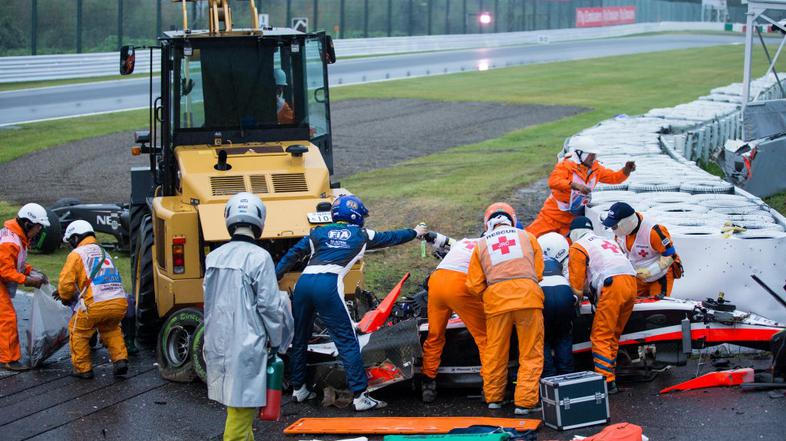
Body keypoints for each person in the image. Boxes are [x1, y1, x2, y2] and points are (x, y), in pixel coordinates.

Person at [275, 194, 427, 411]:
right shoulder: (361, 235)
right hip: (327, 285)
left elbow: (292, 255)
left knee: (300, 337)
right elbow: (392, 237)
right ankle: (360, 396)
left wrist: (274, 276)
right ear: (356, 215)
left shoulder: (317, 232)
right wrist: (415, 232)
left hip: (304, 284)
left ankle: (299, 389)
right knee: (347, 341)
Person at [203, 192, 293, 441]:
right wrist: (277, 341)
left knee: (237, 408)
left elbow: (209, 300)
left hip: (217, 342)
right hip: (247, 344)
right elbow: (269, 306)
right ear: (260, 220)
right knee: (241, 414)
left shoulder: (213, 257)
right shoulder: (259, 258)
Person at [465, 202, 545, 415]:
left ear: (488, 223)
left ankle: (494, 398)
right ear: (512, 220)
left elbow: (473, 284)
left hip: (496, 303)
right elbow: (538, 272)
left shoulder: (481, 244)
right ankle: (525, 403)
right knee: (530, 352)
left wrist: (490, 294)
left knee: (495, 352)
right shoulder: (528, 237)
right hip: (528, 299)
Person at [566, 216, 636, 394]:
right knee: (613, 334)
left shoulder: (578, 246)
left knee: (601, 336)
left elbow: (576, 287)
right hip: (631, 282)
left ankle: (606, 381)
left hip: (612, 286)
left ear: (574, 233)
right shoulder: (606, 241)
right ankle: (612, 373)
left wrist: (576, 304)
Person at [55, 220, 128, 379]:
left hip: (95, 304)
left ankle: (83, 369)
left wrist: (65, 297)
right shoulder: (104, 252)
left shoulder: (76, 254)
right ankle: (120, 359)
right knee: (111, 329)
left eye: (70, 241)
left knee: (78, 331)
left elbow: (66, 284)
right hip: (119, 302)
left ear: (75, 238)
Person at [420, 233, 486, 403]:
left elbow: (444, 241)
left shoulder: (465, 242)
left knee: (434, 335)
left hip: (437, 280)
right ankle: (490, 386)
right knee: (485, 337)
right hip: (460, 284)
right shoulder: (490, 246)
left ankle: (428, 382)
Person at [526, 136, 636, 238]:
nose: (593, 158)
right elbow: (553, 181)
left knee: (568, 246)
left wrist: (626, 171)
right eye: (590, 155)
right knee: (531, 237)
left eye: (595, 155)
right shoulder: (566, 165)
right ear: (579, 153)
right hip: (553, 214)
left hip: (573, 218)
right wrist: (574, 185)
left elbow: (614, 178)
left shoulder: (596, 169)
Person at [0, 203, 49, 371]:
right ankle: (9, 359)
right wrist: (28, 280)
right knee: (7, 318)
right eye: (38, 227)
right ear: (28, 224)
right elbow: (5, 271)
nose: (39, 231)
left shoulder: (15, 237)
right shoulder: (10, 242)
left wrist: (31, 271)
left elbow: (14, 261)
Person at [602, 202, 683, 298]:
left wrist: (650, 271)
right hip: (638, 275)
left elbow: (671, 255)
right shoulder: (620, 234)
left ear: (627, 222)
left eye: (614, 226)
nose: (613, 229)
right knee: (630, 301)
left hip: (660, 276)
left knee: (656, 304)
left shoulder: (653, 231)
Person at [540, 256, 576, 378]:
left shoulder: (527, 258)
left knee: (541, 338)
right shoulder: (554, 259)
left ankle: (548, 376)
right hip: (564, 290)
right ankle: (567, 375)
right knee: (563, 336)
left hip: (543, 293)